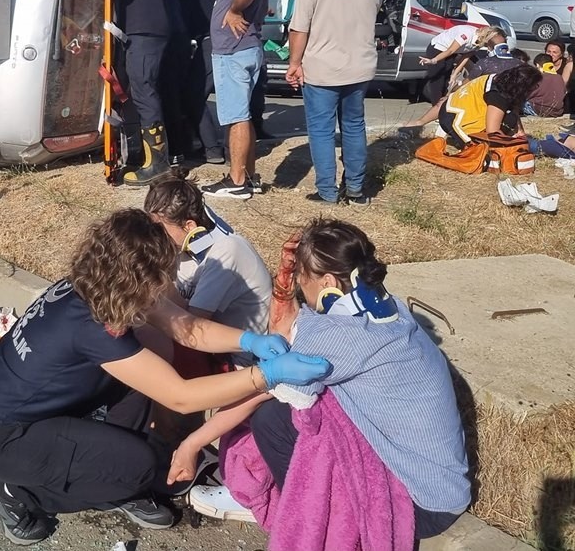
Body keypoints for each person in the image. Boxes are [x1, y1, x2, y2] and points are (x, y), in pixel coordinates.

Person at [0, 208, 330, 545]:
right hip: (3, 438)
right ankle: (16, 492)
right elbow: (180, 396)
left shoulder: (97, 283)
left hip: (14, 409)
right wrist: (265, 375)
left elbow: (187, 328)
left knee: (148, 362)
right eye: (165, 272)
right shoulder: (92, 326)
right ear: (139, 276)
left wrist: (250, 339)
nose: (170, 278)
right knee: (139, 466)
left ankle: (113, 471)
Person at [179, 220, 471, 543]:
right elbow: (294, 333)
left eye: (304, 282)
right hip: (445, 489)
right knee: (308, 401)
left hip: (420, 506)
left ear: (328, 281)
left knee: (271, 419)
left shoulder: (336, 335)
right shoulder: (391, 309)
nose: (302, 295)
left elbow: (257, 389)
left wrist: (191, 444)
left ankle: (297, 513)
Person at [284, 0, 385, 205]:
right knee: (354, 126)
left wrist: (294, 63)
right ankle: (355, 189)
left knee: (321, 130)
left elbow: (299, 28)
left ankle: (327, 191)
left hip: (322, 68)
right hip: (360, 65)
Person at [143, 170, 272, 357]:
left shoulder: (226, 251)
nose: (154, 237)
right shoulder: (184, 247)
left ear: (189, 226)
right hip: (209, 348)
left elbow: (192, 327)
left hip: (240, 358)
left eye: (159, 229)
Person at [146, 0, 227, 164]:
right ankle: (209, 146)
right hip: (219, 41)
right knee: (196, 94)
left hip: (212, 42)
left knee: (193, 95)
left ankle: (213, 149)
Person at [102, 0, 173, 186]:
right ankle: (151, 159)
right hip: (144, 29)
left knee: (144, 91)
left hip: (147, 28)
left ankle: (157, 164)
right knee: (144, 89)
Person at [202, 0, 270, 200]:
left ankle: (237, 180)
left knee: (235, 117)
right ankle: (249, 175)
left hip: (234, 49)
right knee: (242, 115)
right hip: (245, 47)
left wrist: (232, 9)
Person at [439, 64, 542, 147]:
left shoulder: (498, 79)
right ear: (523, 87)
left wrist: (520, 132)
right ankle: (463, 139)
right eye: (533, 86)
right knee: (507, 121)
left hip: (449, 109)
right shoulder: (498, 95)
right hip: (456, 122)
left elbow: (514, 107)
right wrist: (510, 143)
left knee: (511, 117)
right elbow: (492, 132)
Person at [418, 23, 478, 105]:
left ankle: (443, 105)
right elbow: (450, 50)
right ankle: (436, 107)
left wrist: (455, 74)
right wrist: (433, 60)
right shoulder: (466, 35)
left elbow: (466, 57)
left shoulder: (481, 42)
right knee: (438, 80)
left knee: (447, 79)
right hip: (438, 48)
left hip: (452, 52)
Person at [527, 52, 568, 117]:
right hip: (557, 111)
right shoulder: (559, 77)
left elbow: (529, 94)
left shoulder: (538, 77)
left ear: (537, 65)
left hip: (539, 109)